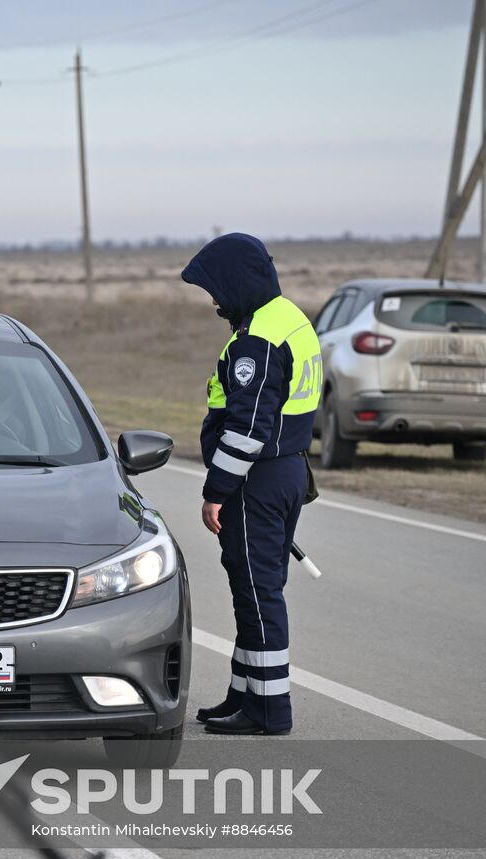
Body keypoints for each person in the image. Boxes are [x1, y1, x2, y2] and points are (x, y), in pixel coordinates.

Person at [182, 233, 320, 736]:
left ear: (237, 283)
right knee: (255, 591)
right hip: (287, 471)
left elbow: (248, 429)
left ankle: (268, 709)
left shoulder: (256, 341)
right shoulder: (289, 317)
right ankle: (244, 693)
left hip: (257, 480)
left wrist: (216, 491)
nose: (214, 301)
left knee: (258, 595)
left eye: (215, 290)